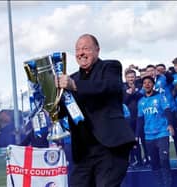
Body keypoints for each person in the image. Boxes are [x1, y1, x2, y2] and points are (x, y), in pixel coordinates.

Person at [56, 34, 136, 187]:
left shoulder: (111, 67)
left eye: (86, 48)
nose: (81, 53)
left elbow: (106, 87)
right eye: (78, 50)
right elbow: (64, 111)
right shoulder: (72, 78)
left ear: (97, 50)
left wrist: (75, 86)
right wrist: (51, 105)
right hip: (83, 152)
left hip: (110, 147)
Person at [136, 76, 174, 187]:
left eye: (149, 82)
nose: (147, 84)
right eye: (145, 83)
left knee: (164, 160)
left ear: (153, 84)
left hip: (162, 133)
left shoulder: (161, 97)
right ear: (143, 85)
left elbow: (167, 111)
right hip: (148, 136)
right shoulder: (141, 102)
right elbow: (140, 119)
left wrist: (170, 124)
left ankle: (168, 185)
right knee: (154, 163)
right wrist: (137, 135)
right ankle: (159, 184)